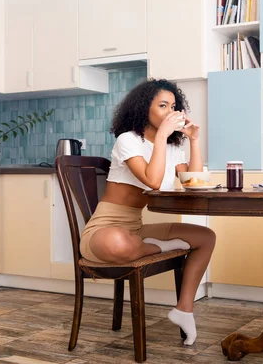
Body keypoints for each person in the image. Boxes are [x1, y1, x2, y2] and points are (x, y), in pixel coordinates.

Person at [79, 78, 216, 346]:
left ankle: (184, 309)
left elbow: (194, 182)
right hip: (104, 228)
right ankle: (159, 247)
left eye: (173, 106)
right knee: (118, 242)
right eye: (162, 106)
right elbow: (152, 180)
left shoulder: (171, 147)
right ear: (145, 109)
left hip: (136, 228)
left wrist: (194, 141)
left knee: (206, 237)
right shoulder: (128, 140)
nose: (170, 112)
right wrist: (163, 137)